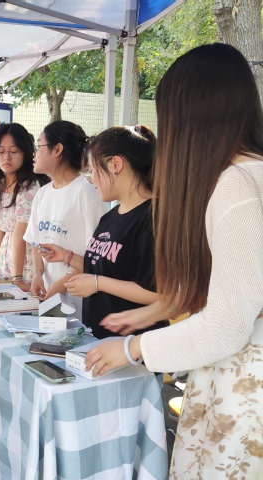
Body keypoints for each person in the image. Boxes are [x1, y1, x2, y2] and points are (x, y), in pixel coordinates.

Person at [85, 43, 263, 478]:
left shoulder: (236, 185)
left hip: (245, 386)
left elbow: (227, 326)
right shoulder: (251, 174)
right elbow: (238, 282)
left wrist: (132, 348)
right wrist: (157, 310)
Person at [39, 125, 168, 340]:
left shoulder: (153, 218)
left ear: (115, 165)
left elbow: (160, 294)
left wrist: (97, 283)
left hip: (134, 347)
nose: (91, 179)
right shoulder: (109, 217)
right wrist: (66, 257)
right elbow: (103, 268)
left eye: (93, 170)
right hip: (100, 341)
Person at [24, 121, 105, 320]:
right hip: (49, 295)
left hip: (79, 301)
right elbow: (36, 242)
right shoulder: (42, 194)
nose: (34, 153)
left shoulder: (85, 192)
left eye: (39, 145)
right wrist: (37, 274)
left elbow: (96, 257)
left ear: (57, 149)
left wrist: (62, 284)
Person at [0, 123, 48, 291]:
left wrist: (17, 277)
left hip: (25, 267)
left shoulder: (30, 187)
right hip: (4, 265)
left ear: (26, 153)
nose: (7, 157)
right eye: (1, 151)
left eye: (13, 152)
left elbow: (20, 235)